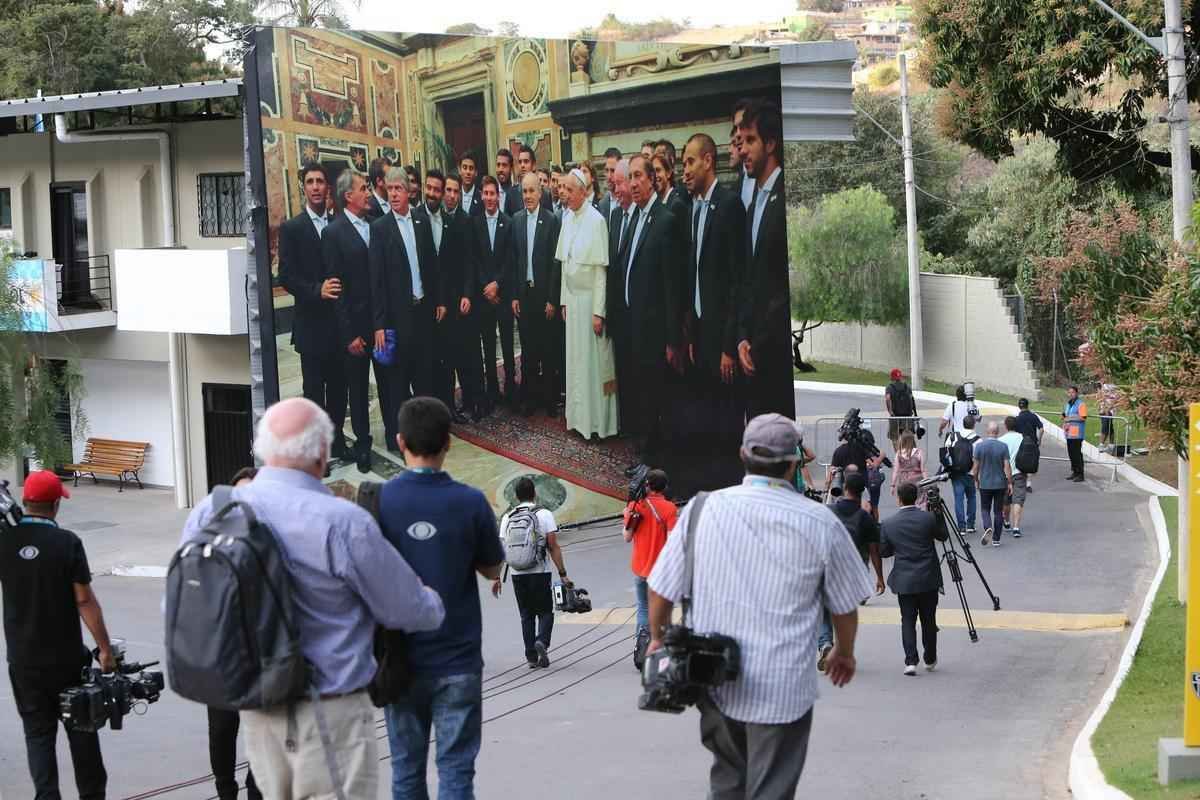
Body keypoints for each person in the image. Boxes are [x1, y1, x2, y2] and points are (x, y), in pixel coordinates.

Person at [180, 398, 446, 799]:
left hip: (258, 709)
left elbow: (183, 606)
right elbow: (406, 609)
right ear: (323, 453)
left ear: (262, 449)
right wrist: (433, 600)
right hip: (330, 715)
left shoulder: (211, 513)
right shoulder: (341, 521)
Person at [647, 414, 872, 799]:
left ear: (742, 455)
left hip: (713, 676)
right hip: (783, 687)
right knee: (771, 790)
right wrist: (844, 653)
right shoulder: (820, 521)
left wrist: (657, 638)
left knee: (728, 782)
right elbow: (845, 605)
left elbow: (660, 590)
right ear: (794, 463)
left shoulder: (703, 510)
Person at [375, 397, 504, 800]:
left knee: (406, 773)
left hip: (399, 661)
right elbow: (492, 568)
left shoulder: (379, 501)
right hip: (458, 659)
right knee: (456, 772)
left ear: (400, 442)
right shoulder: (470, 502)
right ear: (449, 442)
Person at [2, 470, 115, 800]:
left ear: (24, 502)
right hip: (66, 660)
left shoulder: (4, 540)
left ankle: (46, 795)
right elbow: (84, 600)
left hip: (23, 660)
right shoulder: (67, 542)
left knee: (38, 735)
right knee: (81, 731)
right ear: (55, 505)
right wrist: (104, 649)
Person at [608, 153, 684, 470]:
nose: (635, 183)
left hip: (654, 332)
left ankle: (657, 463)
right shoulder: (635, 217)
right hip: (632, 328)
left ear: (653, 180)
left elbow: (672, 287)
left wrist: (671, 340)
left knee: (656, 397)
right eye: (632, 176)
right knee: (641, 395)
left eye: (640, 176)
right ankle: (645, 454)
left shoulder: (665, 220)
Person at [278, 162, 349, 460]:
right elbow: (286, 275)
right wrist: (315, 290)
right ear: (303, 188)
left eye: (321, 181)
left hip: (338, 325)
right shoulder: (292, 228)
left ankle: (337, 441)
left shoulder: (339, 225)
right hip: (310, 326)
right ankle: (316, 453)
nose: (317, 186)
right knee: (313, 393)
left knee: (338, 389)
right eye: (311, 182)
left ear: (327, 188)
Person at [369, 166, 438, 448]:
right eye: (390, 189)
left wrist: (437, 303)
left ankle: (422, 434)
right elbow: (377, 282)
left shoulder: (421, 222)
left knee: (424, 377)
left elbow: (432, 266)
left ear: (409, 191)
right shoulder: (380, 229)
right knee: (396, 383)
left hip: (422, 314)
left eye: (399, 188)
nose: (394, 194)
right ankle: (396, 437)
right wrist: (379, 325)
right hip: (397, 320)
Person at [206, 467, 262, 800]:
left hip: (259, 656)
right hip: (220, 654)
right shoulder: (211, 544)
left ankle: (255, 788)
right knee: (222, 729)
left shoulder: (269, 543)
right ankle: (225, 790)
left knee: (260, 728)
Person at [735, 98, 793, 419]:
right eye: (740, 142)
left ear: (771, 143)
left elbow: (781, 287)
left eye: (750, 141)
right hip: (751, 350)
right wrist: (742, 337)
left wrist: (757, 344)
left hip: (776, 354)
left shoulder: (786, 197)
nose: (742, 150)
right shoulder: (755, 197)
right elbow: (748, 279)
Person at [557, 167, 620, 439]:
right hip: (573, 302)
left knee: (593, 367)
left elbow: (599, 272)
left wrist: (598, 312)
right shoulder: (567, 219)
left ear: (584, 192)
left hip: (590, 305)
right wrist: (563, 301)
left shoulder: (596, 221)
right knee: (575, 364)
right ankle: (578, 419)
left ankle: (596, 424)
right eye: (564, 189)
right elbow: (564, 266)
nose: (565, 194)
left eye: (570, 190)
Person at [324, 169, 379, 472]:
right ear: (349, 196)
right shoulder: (334, 233)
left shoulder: (374, 226)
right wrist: (349, 335)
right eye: (363, 188)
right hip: (356, 330)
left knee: (388, 383)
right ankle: (363, 444)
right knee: (357, 391)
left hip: (380, 324)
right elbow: (336, 289)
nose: (368, 192)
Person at [496, 477, 569, 668]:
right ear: (534, 493)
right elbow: (553, 546)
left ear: (516, 496)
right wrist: (563, 573)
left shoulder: (507, 517)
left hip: (516, 573)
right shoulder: (544, 514)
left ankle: (531, 657)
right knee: (545, 612)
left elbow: (502, 549)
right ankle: (542, 641)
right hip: (539, 571)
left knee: (526, 614)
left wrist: (497, 576)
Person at [818, 470, 885, 672]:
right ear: (862, 492)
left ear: (844, 488)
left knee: (824, 610)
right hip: (851, 572)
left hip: (828, 567)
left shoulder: (828, 511)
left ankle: (825, 644)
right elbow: (874, 550)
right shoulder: (866, 518)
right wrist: (879, 578)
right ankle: (841, 647)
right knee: (844, 611)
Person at [880, 481, 948, 675]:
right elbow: (943, 536)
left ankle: (910, 661)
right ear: (917, 497)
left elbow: (884, 552)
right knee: (929, 619)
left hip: (904, 578)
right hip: (928, 577)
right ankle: (930, 657)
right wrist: (938, 513)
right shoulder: (927, 519)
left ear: (898, 498)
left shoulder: (889, 523)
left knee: (907, 620)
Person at [510, 172, 562, 417]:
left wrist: (553, 298)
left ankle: (550, 400)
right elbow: (514, 260)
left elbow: (555, 263)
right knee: (528, 351)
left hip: (544, 298)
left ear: (540, 193)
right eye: (524, 192)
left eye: (532, 191)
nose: (528, 196)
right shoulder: (516, 220)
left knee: (547, 349)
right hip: (525, 295)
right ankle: (530, 399)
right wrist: (514, 296)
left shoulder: (551, 221)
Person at [414, 169, 461, 419]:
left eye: (437, 190)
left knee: (448, 357)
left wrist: (446, 300)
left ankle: (449, 407)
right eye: (429, 188)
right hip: (423, 304)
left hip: (447, 303)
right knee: (426, 361)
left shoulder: (449, 222)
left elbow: (451, 265)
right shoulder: (413, 218)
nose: (432, 193)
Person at [468, 175, 517, 412]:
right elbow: (473, 259)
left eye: (492, 193)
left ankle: (510, 389)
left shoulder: (508, 223)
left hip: (503, 294)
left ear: (498, 196)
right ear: (481, 196)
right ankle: (492, 391)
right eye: (485, 193)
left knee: (507, 344)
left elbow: (510, 259)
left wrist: (497, 284)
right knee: (487, 346)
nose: (488, 197)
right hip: (483, 296)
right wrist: (486, 286)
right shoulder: (474, 223)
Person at [442, 172, 487, 421]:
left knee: (471, 354)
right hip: (443, 303)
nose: (450, 195)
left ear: (460, 194)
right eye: (447, 190)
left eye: (455, 191)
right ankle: (450, 405)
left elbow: (471, 261)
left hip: (465, 301)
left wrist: (468, 294)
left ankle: (475, 400)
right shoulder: (433, 219)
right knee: (449, 356)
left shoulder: (466, 220)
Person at [623, 468, 678, 662]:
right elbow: (672, 542)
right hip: (661, 571)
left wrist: (626, 515)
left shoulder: (635, 506)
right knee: (664, 610)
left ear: (647, 485)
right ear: (665, 487)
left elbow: (627, 537)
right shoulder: (670, 509)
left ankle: (641, 650)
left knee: (643, 609)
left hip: (640, 568)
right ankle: (663, 652)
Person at [972, 421, 1013, 547]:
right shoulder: (1003, 446)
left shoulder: (979, 446)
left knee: (985, 508)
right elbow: (1007, 466)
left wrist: (976, 480)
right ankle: (996, 539)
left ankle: (987, 527)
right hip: (1000, 484)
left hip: (985, 483)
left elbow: (976, 467)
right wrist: (1010, 482)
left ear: (987, 431)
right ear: (998, 432)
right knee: (998, 511)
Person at [948, 414, 980, 535]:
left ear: (963, 423)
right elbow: (978, 459)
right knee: (971, 497)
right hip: (970, 473)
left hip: (956, 473)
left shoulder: (953, 436)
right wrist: (976, 476)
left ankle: (961, 527)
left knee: (958, 499)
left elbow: (947, 453)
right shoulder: (978, 440)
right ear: (974, 424)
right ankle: (971, 524)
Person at [999, 415, 1028, 538]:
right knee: (1018, 500)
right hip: (1020, 472)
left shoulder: (1001, 440)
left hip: (1005, 474)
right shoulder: (1022, 438)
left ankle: (1006, 521)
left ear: (1006, 426)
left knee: (1006, 500)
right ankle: (1016, 527)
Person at [504, 144, 554, 216]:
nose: (522, 165)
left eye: (526, 161)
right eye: (520, 162)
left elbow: (550, 221)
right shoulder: (511, 194)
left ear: (533, 165)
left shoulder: (545, 194)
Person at [1013, 398, 1043, 494]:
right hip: (1032, 443)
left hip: (1021, 443)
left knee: (1020, 461)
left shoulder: (1017, 418)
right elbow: (1041, 429)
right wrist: (1039, 439)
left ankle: (1019, 482)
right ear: (1027, 405)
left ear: (1019, 406)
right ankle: (1028, 484)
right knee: (1030, 463)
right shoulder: (1033, 416)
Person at [891, 431, 927, 509]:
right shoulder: (919, 452)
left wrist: (893, 485)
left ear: (902, 440)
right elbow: (923, 470)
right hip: (917, 482)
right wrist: (926, 482)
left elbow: (896, 471)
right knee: (919, 503)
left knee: (905, 503)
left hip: (904, 482)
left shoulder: (899, 453)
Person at [885, 367, 917, 447]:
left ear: (892, 377)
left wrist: (890, 411)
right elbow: (911, 399)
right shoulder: (907, 387)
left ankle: (898, 456)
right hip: (907, 416)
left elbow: (888, 398)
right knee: (908, 437)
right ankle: (910, 454)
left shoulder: (889, 387)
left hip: (895, 416)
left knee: (895, 437)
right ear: (900, 377)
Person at [1062, 385, 1088, 482]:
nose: (1071, 394)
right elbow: (1064, 415)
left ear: (1076, 393)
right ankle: (1074, 472)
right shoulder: (1068, 404)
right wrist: (1064, 421)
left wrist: (1071, 418)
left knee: (1077, 454)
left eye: (1072, 392)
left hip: (1077, 434)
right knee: (1071, 454)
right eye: (1069, 392)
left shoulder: (1081, 404)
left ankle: (1080, 474)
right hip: (1069, 433)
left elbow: (1083, 417)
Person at [366, 156, 392, 221]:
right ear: (379, 181)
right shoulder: (369, 208)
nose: (394, 179)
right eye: (390, 176)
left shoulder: (395, 201)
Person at [458, 151, 483, 217]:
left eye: (471, 168)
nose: (468, 172)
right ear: (459, 170)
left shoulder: (482, 198)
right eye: (465, 168)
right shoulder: (454, 195)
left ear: (476, 172)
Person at [599, 146, 621, 219]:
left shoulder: (629, 201)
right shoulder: (602, 204)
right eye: (606, 170)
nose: (609, 176)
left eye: (612, 171)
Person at [1099, 382, 1118, 453]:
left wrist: (1108, 409)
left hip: (1111, 410)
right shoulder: (1104, 386)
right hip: (1103, 409)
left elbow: (1116, 399)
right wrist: (1102, 408)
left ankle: (1101, 444)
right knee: (1109, 426)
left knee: (1106, 424)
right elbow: (1102, 397)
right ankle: (1111, 445)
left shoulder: (1115, 387)